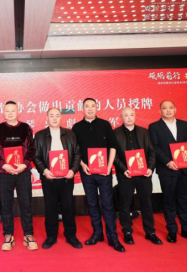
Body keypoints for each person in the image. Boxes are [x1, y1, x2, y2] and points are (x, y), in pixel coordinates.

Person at [72, 98, 125, 252]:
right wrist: (83, 165)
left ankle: (113, 237)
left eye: (93, 106)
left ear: (97, 108)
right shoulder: (77, 127)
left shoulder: (105, 124)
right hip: (87, 172)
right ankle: (97, 233)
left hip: (104, 172)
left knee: (108, 204)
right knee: (92, 203)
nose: (90, 109)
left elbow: (113, 147)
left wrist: (109, 166)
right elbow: (75, 151)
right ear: (82, 108)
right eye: (87, 106)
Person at [149, 100, 187, 244]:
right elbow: (154, 147)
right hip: (167, 170)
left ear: (175, 109)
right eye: (164, 108)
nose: (168, 110)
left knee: (184, 200)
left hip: (185, 169)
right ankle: (172, 230)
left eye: (170, 108)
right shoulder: (154, 126)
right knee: (169, 201)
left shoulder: (183, 124)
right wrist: (167, 161)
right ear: (159, 111)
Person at [0, 101, 38, 251]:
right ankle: (8, 235)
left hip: (23, 171)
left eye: (13, 111)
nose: (10, 113)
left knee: (26, 204)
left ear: (18, 112)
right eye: (7, 111)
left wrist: (24, 164)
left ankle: (28, 235)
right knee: (6, 205)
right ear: (4, 113)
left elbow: (31, 148)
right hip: (4, 172)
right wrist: (4, 165)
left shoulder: (26, 128)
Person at [33, 108, 83, 249]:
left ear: (61, 118)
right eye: (51, 116)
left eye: (57, 116)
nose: (54, 118)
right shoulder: (40, 135)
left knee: (68, 206)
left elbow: (77, 154)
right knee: (50, 207)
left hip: (66, 178)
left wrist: (73, 170)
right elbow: (36, 156)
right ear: (47, 118)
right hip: (49, 178)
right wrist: (44, 171)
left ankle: (71, 236)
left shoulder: (70, 134)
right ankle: (51, 236)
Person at [113, 107, 162, 245]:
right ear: (121, 117)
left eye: (131, 115)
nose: (129, 117)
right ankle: (127, 232)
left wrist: (150, 168)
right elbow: (113, 155)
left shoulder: (144, 132)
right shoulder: (115, 133)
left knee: (147, 203)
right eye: (126, 115)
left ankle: (150, 232)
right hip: (126, 175)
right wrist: (124, 170)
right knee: (125, 204)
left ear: (135, 116)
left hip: (143, 174)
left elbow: (152, 152)